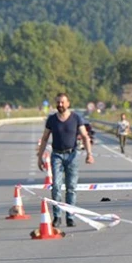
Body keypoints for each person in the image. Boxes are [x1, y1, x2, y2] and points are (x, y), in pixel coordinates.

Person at [36, 93, 95, 227]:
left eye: (62, 102)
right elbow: (45, 138)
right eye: (58, 102)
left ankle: (70, 216)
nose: (60, 105)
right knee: (56, 186)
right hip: (56, 155)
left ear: (68, 103)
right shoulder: (52, 119)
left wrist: (89, 154)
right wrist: (40, 158)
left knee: (71, 188)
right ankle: (57, 216)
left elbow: (85, 136)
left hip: (72, 155)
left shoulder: (76, 118)